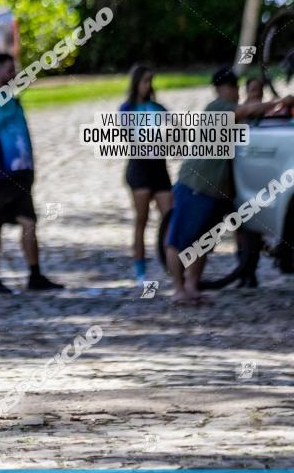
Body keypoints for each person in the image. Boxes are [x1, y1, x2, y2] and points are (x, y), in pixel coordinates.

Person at [164, 67, 294, 304]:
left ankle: (192, 287)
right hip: (195, 186)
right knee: (180, 239)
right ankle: (178, 289)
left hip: (213, 191)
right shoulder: (217, 108)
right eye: (235, 88)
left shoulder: (231, 110)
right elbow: (247, 109)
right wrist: (281, 100)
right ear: (228, 88)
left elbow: (252, 111)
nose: (236, 93)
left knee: (202, 242)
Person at [0, 53, 63, 293]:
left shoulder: (12, 98)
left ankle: (35, 274)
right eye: (10, 70)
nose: (15, 74)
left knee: (29, 222)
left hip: (19, 172)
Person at [120, 64, 173, 283]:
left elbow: (175, 129)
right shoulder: (127, 108)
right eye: (144, 81)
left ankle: (174, 264)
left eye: (150, 81)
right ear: (136, 83)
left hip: (159, 167)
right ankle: (140, 269)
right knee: (141, 219)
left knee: (170, 217)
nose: (148, 86)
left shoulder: (158, 107)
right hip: (140, 168)